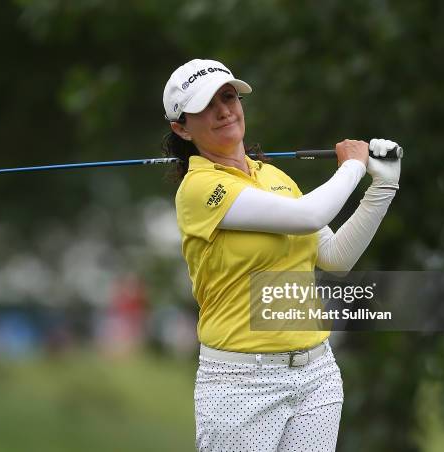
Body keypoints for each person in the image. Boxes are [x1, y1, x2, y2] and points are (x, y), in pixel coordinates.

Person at [162, 58, 401, 452]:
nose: (223, 110)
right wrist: (354, 167)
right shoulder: (197, 189)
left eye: (228, 97)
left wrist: (381, 188)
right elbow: (308, 216)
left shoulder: (276, 178)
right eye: (206, 106)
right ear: (181, 128)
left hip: (317, 376)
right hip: (239, 384)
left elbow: (335, 256)